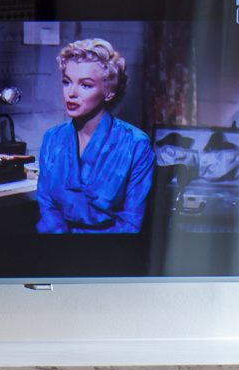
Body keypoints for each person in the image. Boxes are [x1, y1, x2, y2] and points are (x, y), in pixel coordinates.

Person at [34, 37, 153, 234]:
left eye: (85, 85)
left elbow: (131, 222)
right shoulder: (52, 139)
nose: (71, 93)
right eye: (66, 82)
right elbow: (47, 207)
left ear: (109, 91)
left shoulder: (135, 145)